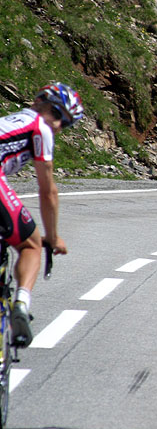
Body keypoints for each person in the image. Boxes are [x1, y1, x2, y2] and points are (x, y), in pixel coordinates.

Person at [0, 82, 83, 347]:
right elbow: (48, 192)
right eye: (57, 114)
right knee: (31, 243)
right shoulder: (39, 127)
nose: (58, 125)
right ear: (38, 102)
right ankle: (21, 304)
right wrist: (53, 237)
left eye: (66, 124)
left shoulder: (12, 120)